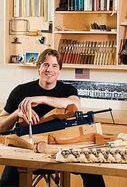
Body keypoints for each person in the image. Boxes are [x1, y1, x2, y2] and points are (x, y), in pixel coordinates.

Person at [0, 48, 105, 187]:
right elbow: (1, 125)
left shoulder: (67, 90)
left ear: (59, 70)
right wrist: (16, 114)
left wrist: (42, 99)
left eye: (54, 66)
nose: (49, 69)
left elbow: (75, 104)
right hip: (26, 149)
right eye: (45, 64)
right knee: (7, 182)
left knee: (93, 172)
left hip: (62, 148)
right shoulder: (21, 91)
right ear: (38, 67)